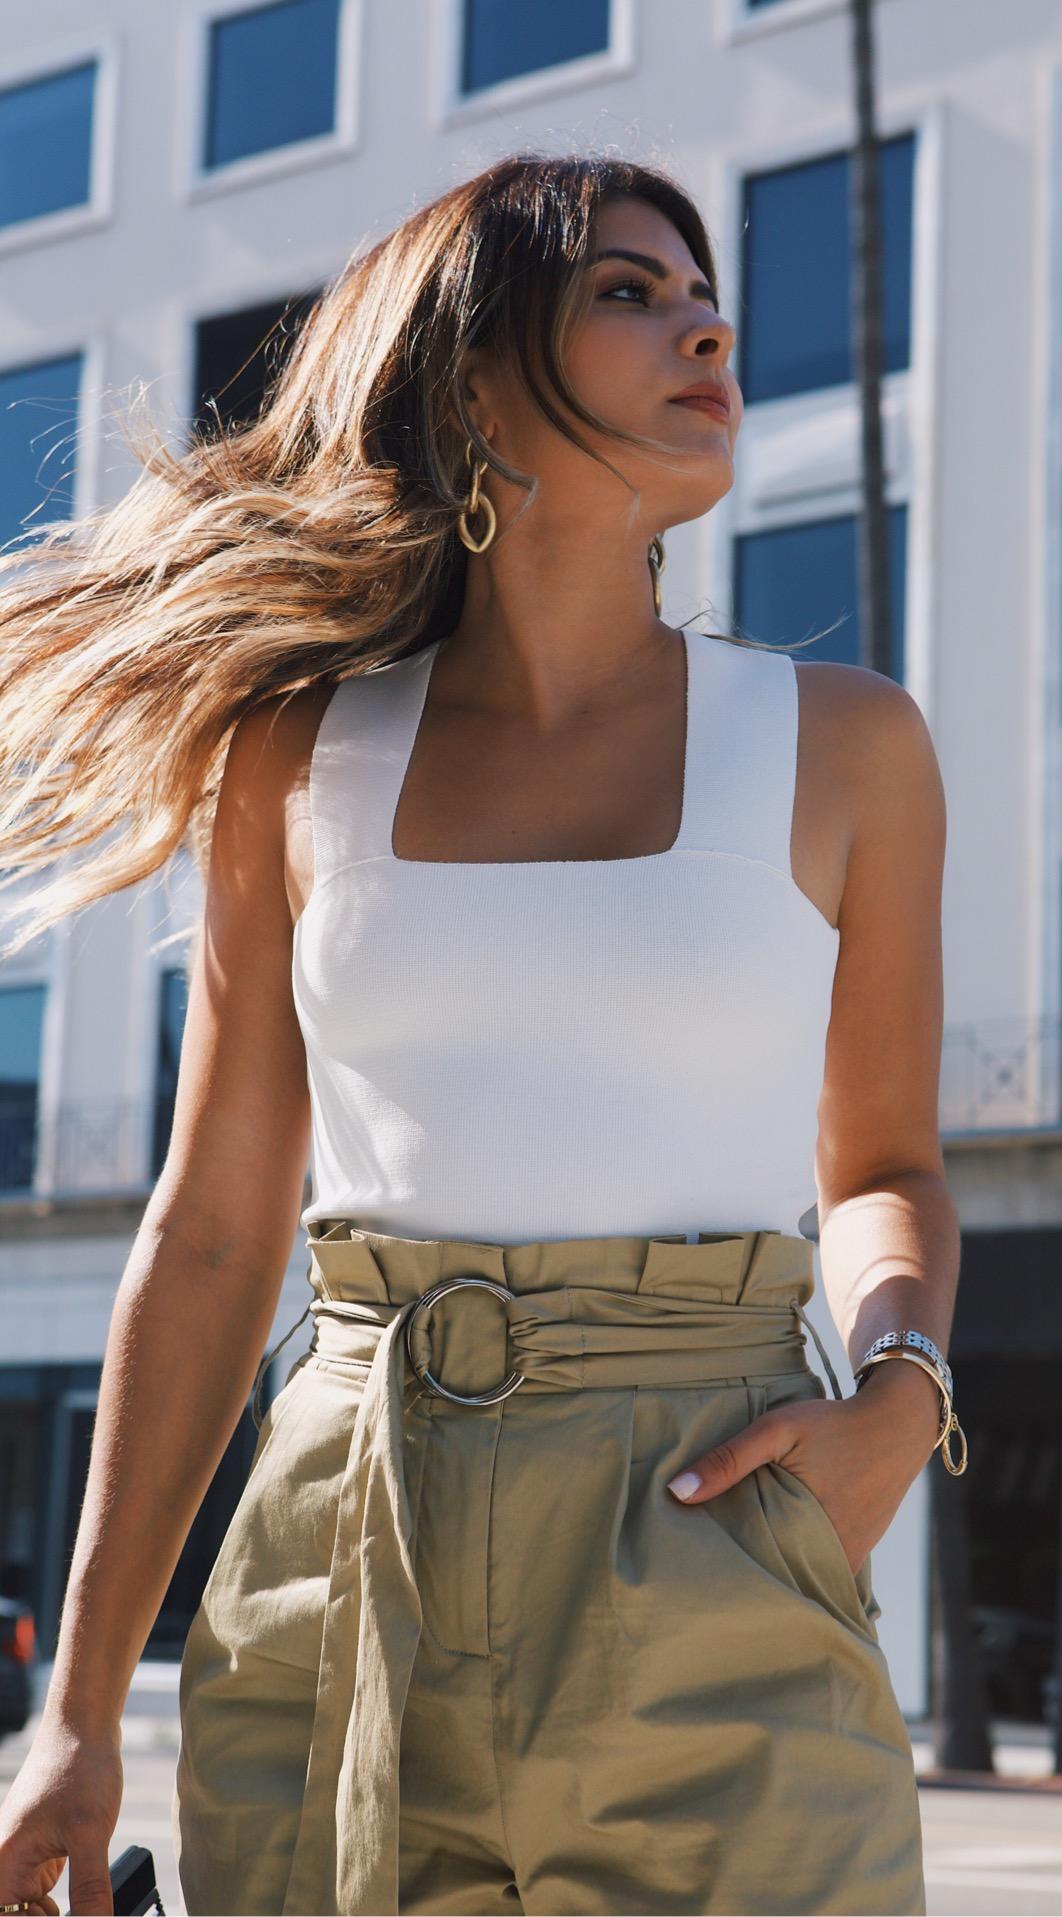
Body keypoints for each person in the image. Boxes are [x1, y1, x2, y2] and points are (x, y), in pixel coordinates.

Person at [0, 153, 962, 1917]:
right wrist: (72, 1709)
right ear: (470, 380)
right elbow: (214, 1229)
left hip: (713, 1518)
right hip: (340, 1543)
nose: (704, 320)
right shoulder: (293, 760)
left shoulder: (849, 745)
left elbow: (888, 1163)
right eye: (624, 289)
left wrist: (903, 1391)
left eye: (698, 288)